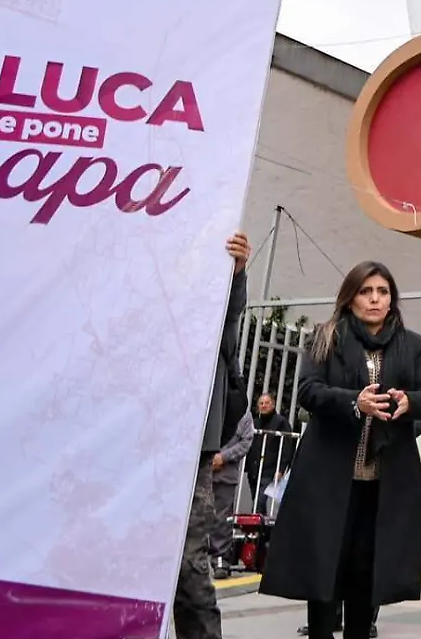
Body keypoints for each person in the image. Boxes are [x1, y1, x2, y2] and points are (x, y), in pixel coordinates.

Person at [260, 262, 421, 639]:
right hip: (329, 477)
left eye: (383, 292)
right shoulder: (327, 336)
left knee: (365, 572)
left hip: (383, 481)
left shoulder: (412, 343)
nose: (375, 299)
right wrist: (354, 403)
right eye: (366, 291)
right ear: (351, 297)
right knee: (326, 568)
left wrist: (410, 402)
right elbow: (308, 390)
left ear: (392, 300)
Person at [174, 232, 253, 639]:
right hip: (134, 451)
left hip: (193, 456)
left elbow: (229, 318)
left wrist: (236, 272)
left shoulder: (212, 329)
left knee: (189, 567)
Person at [211, 406, 255, 578]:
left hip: (225, 476)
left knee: (222, 518)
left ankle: (220, 557)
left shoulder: (243, 412)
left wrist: (224, 457)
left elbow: (246, 441)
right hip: (200, 472)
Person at [247, 392, 297, 504]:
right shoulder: (254, 423)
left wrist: (281, 469)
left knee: (259, 502)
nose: (263, 405)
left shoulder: (281, 422)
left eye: (267, 403)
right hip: (254, 470)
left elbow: (287, 447)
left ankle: (257, 520)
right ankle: (260, 521)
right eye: (261, 403)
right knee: (256, 501)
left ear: (273, 405)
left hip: (270, 470)